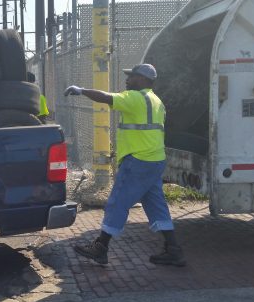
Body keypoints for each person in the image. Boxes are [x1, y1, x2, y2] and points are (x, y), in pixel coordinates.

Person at [64, 63, 186, 266]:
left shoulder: (135, 98)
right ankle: (173, 249)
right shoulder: (157, 101)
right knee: (156, 205)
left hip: (138, 161)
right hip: (154, 161)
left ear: (144, 80)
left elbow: (106, 97)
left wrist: (82, 90)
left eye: (132, 77)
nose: (127, 80)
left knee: (117, 201)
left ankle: (101, 247)